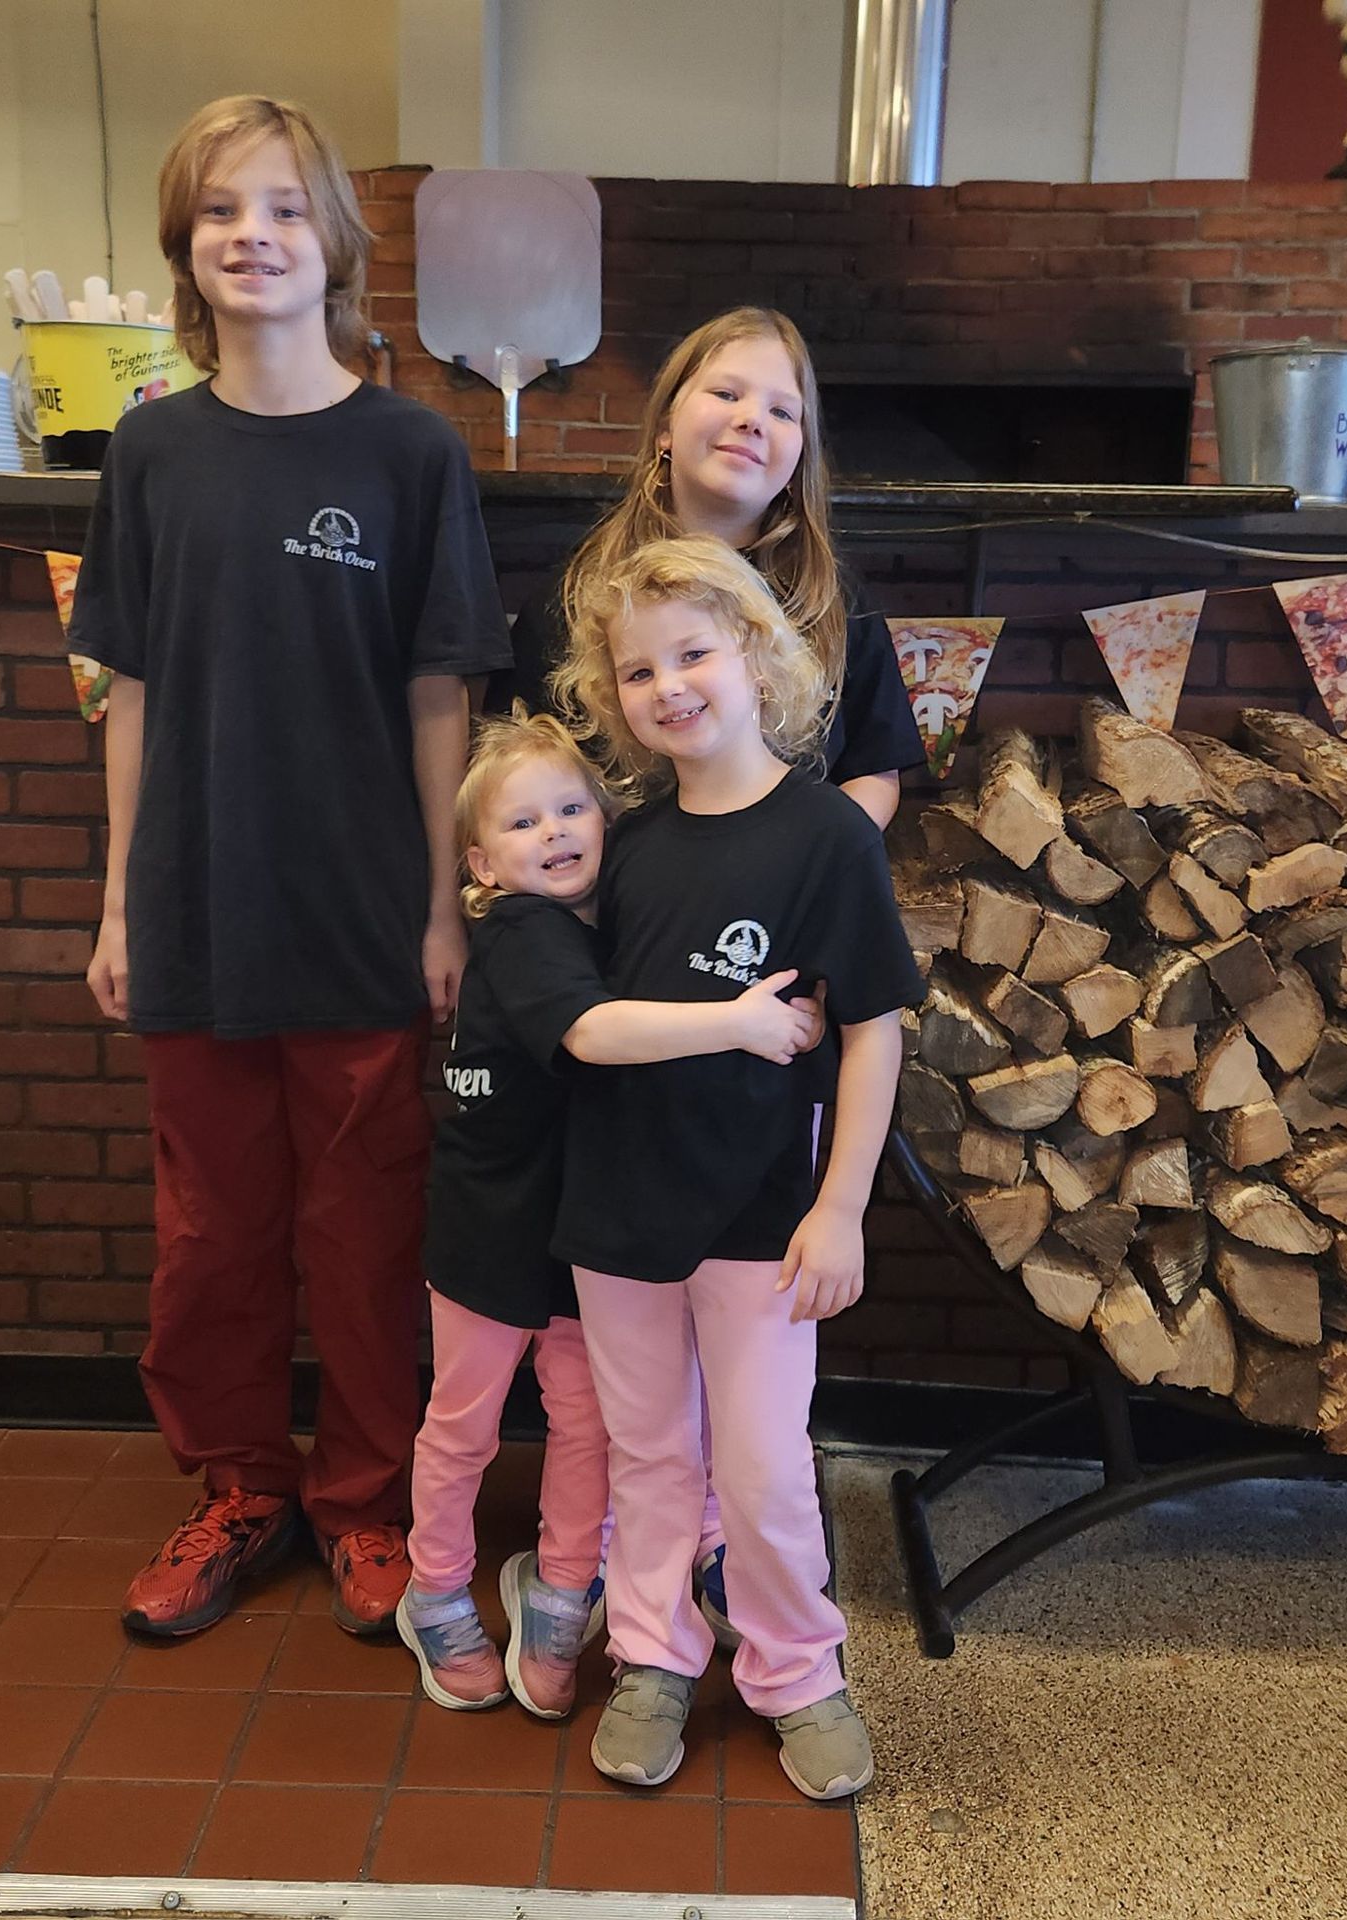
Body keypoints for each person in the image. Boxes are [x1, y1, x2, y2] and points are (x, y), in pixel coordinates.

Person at [70, 96, 511, 1639]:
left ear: (333, 238)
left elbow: (441, 695)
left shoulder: (407, 454)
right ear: (187, 250)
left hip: (359, 918)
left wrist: (447, 910)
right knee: (210, 1237)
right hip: (192, 914)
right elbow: (128, 692)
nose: (248, 235)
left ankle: (365, 1504)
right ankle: (238, 1489)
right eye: (216, 212)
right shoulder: (150, 449)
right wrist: (120, 902)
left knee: (367, 1234)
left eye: (278, 207)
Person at [556, 535, 921, 1800]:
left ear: (760, 657)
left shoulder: (828, 838)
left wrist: (843, 1209)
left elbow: (872, 1027)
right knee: (649, 1456)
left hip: (764, 1217)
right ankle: (655, 1655)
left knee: (762, 1469)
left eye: (695, 652)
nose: (670, 685)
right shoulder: (623, 844)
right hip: (617, 1212)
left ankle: (799, 1670)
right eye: (639, 667)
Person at [397, 705, 820, 1716]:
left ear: (607, 818)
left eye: (571, 808)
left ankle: (558, 1589)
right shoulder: (527, 933)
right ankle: (435, 1586)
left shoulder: (605, 923)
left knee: (586, 1429)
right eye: (524, 822)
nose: (555, 833)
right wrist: (743, 1023)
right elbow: (593, 1036)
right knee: (463, 1424)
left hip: (579, 1234)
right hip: (487, 1234)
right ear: (481, 864)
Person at [499, 305, 922, 832]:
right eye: (726, 394)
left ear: (799, 460)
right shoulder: (576, 597)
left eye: (783, 412)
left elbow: (873, 770)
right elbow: (519, 772)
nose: (751, 420)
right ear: (664, 429)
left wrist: (818, 865)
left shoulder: (834, 603)